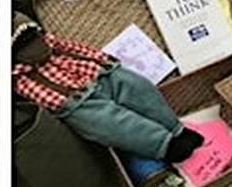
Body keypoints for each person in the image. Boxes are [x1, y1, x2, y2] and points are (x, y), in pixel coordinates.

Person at [11, 16, 203, 164]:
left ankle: (175, 129)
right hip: (75, 102)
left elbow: (80, 51)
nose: (36, 46)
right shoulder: (22, 79)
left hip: (97, 74)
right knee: (111, 123)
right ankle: (163, 145)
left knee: (136, 86)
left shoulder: (53, 44)